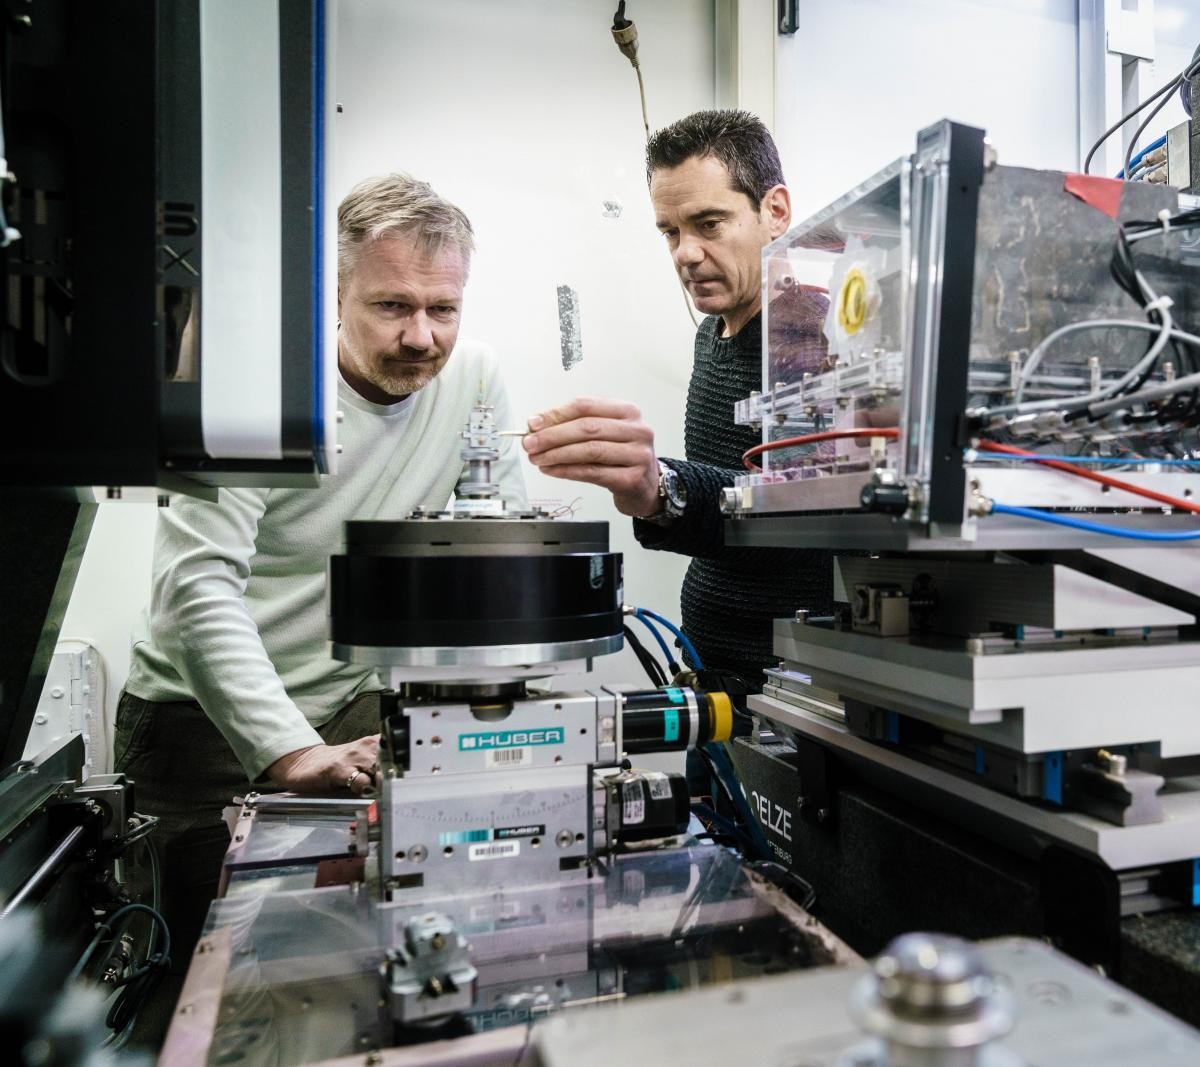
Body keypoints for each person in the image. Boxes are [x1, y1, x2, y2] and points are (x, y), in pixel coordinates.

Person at [115, 173, 526, 1039]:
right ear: (333, 295)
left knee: (342, 972)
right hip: (199, 719)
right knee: (198, 990)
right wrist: (286, 748)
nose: (422, 337)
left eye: (443, 309)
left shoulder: (475, 380)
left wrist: (501, 725)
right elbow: (197, 588)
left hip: (352, 705)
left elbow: (493, 560)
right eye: (392, 306)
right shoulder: (258, 382)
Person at [521, 109, 833, 697]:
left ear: (776, 212)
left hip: (793, 685)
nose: (684, 253)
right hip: (705, 662)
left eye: (708, 224)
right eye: (670, 231)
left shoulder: (816, 343)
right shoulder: (712, 332)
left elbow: (803, 515)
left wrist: (662, 487)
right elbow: (726, 522)